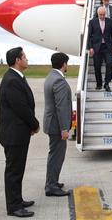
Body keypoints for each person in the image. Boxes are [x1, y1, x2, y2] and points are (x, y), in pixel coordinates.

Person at [0, 47, 40, 218]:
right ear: (17, 60)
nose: (27, 59)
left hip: (18, 133)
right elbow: (21, 108)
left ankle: (17, 199)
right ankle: (14, 207)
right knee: (14, 171)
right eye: (24, 57)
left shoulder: (16, 77)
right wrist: (35, 124)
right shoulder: (12, 81)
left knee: (17, 169)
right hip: (14, 134)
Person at [43, 52, 72, 197]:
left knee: (54, 154)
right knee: (57, 155)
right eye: (67, 63)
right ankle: (51, 186)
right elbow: (61, 107)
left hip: (51, 123)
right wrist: (64, 129)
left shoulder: (50, 77)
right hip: (57, 125)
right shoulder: (59, 81)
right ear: (63, 64)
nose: (68, 65)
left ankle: (52, 181)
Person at [88, 7, 112, 92]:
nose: (102, 16)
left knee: (109, 63)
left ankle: (107, 83)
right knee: (97, 66)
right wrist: (90, 47)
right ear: (97, 14)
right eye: (100, 15)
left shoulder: (110, 22)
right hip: (97, 47)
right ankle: (99, 84)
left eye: (104, 14)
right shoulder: (92, 22)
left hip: (107, 47)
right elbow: (89, 36)